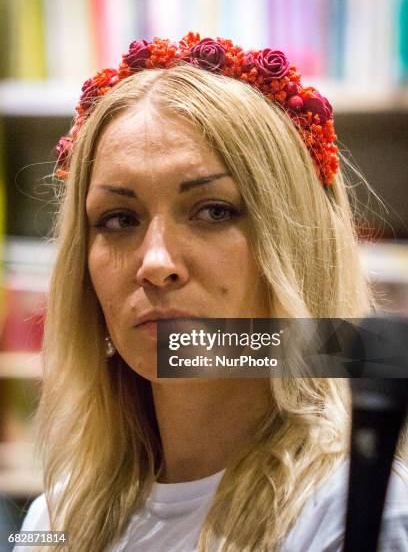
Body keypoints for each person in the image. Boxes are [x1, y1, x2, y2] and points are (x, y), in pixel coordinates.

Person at [15, 33, 408, 552]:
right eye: (119, 219)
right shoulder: (57, 516)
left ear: (294, 242)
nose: (155, 263)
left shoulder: (359, 511)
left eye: (214, 211)